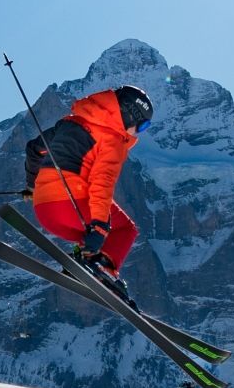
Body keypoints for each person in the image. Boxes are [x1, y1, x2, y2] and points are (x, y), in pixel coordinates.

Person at [24, 83, 154, 303]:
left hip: (44, 212)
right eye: (142, 126)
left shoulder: (70, 121)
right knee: (124, 229)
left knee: (94, 236)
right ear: (129, 115)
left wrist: (32, 186)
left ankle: (85, 260)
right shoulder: (112, 138)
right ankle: (102, 268)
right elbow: (101, 183)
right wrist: (101, 227)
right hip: (70, 207)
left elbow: (34, 149)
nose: (139, 132)